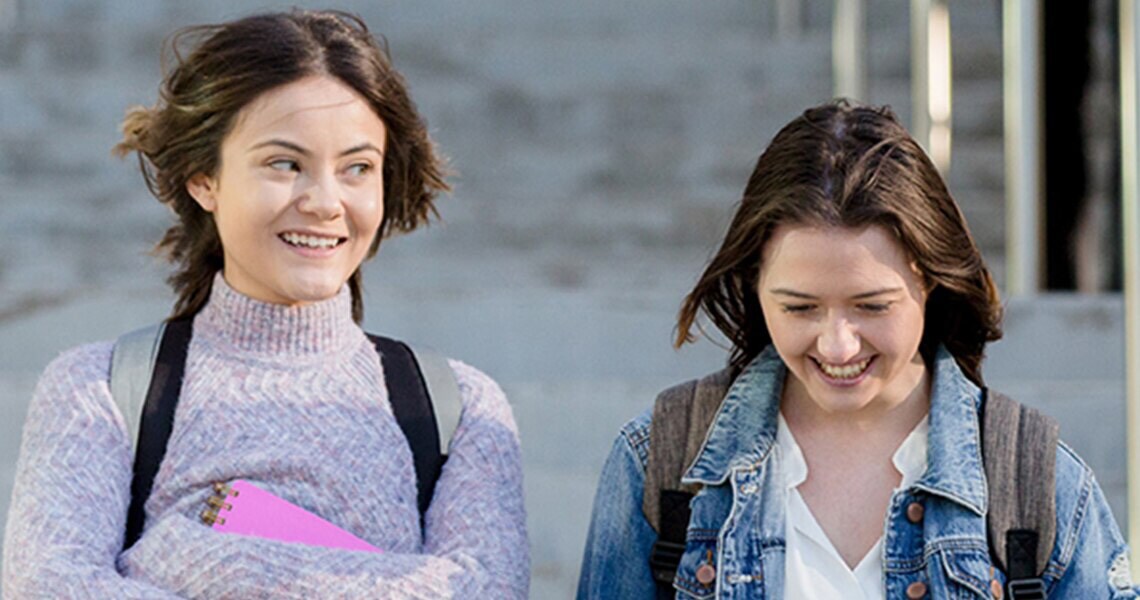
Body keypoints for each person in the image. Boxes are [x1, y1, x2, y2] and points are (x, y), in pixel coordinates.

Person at [2, 10, 528, 598]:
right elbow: (46, 586)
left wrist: (187, 561)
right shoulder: (95, 390)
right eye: (285, 163)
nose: (326, 202)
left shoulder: (459, 410)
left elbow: (484, 591)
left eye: (357, 168)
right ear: (204, 177)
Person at [576, 101, 1136, 599]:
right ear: (754, 284)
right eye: (800, 308)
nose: (838, 344)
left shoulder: (1035, 480)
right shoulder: (663, 463)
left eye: (872, 306)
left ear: (929, 281)